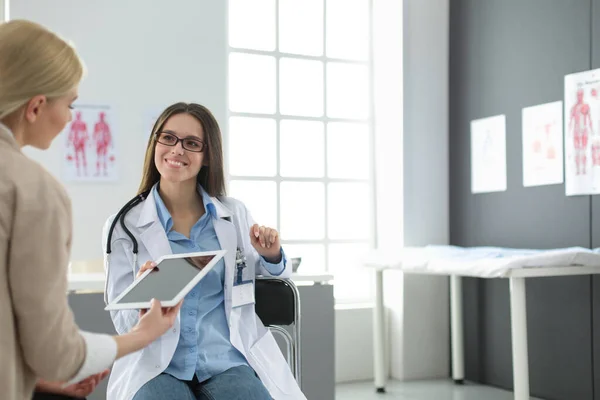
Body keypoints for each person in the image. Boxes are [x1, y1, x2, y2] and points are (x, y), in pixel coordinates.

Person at [0, 19, 183, 400]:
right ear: (35, 107)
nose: (70, 118)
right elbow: (56, 353)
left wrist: (31, 378)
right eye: (69, 104)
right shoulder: (33, 190)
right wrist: (142, 335)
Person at [103, 102, 306, 400]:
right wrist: (145, 298)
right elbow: (121, 316)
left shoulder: (234, 215)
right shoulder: (123, 225)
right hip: (156, 362)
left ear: (207, 155)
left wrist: (272, 254)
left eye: (192, 143)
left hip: (226, 359)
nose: (177, 150)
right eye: (168, 138)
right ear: (155, 143)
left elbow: (273, 276)